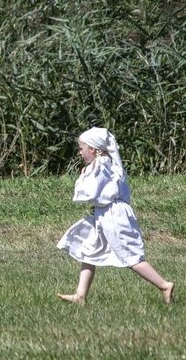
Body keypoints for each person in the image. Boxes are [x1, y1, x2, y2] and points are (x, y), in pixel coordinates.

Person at [56, 127, 175, 305]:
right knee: (89, 250)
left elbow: (89, 192)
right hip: (104, 214)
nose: (80, 153)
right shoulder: (104, 164)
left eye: (82, 149)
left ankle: (164, 285)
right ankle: (80, 295)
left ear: (94, 149)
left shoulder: (101, 165)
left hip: (113, 215)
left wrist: (82, 177)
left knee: (129, 255)